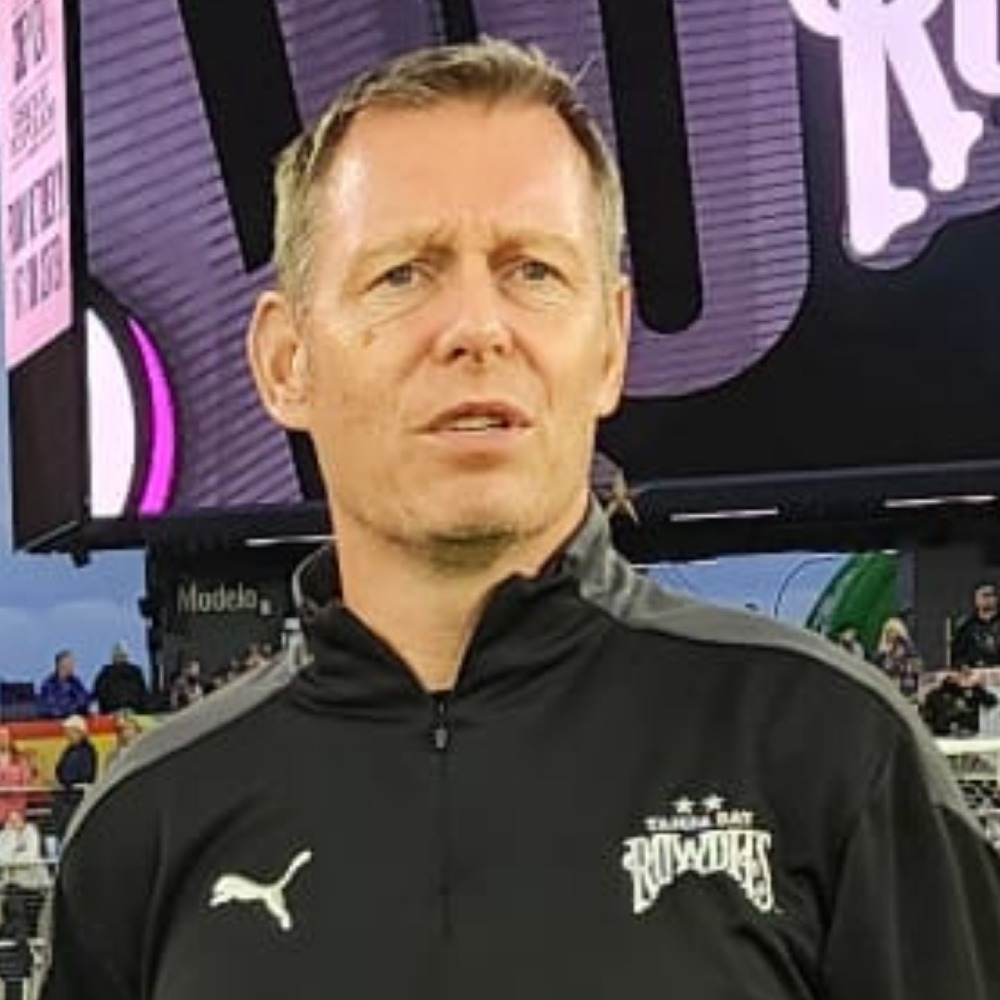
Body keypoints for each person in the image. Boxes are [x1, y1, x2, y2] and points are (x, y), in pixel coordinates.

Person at [40, 39, 1000, 1000]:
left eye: (533, 270)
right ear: (286, 360)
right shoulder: (146, 827)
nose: (476, 328)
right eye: (402, 274)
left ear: (611, 344)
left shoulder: (829, 752)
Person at [49, 716, 97, 840]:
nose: (67, 735)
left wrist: (66, 782)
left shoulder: (88, 750)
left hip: (76, 799)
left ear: (79, 731)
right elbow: (59, 770)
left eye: (69, 731)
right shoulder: (69, 749)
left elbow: (85, 774)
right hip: (65, 798)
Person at [921, 665, 999, 737]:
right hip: (942, 735)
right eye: (957, 673)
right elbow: (926, 716)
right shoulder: (935, 694)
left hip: (968, 734)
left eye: (966, 675)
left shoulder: (974, 691)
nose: (960, 677)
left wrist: (976, 688)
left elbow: (992, 702)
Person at [949, 580, 1000, 667]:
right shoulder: (966, 627)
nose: (988, 599)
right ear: (976, 600)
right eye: (984, 595)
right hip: (976, 671)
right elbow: (957, 656)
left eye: (992, 595)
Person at [872, 615, 923, 701]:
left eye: (893, 632)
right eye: (888, 632)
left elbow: (915, 670)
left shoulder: (910, 652)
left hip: (904, 691)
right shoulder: (881, 654)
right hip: (885, 690)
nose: (890, 635)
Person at [92, 643, 149, 715]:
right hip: (132, 711)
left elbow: (98, 694)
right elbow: (143, 694)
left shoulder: (105, 673)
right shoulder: (136, 671)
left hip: (114, 712)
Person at [36, 651, 90, 720]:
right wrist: (75, 708)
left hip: (76, 720)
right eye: (70, 664)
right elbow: (54, 709)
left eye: (73, 664)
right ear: (61, 665)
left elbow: (85, 699)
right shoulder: (49, 684)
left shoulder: (75, 681)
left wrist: (76, 707)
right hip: (57, 722)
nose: (73, 666)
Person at [0, 728, 35, 825]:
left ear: (10, 739)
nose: (2, 739)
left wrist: (16, 810)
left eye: (4, 736)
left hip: (15, 807)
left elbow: (26, 784)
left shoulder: (21, 759)